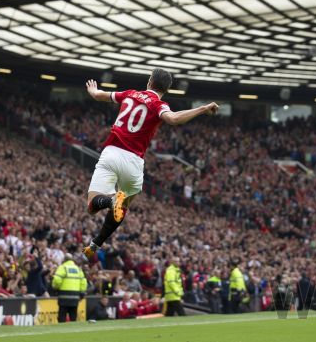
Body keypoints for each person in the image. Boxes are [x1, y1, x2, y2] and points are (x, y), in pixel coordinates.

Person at [82, 69, 219, 258]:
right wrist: (203, 108)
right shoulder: (158, 104)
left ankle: (110, 200)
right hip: (134, 163)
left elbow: (98, 95)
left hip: (111, 153)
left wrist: (93, 90)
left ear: (149, 82)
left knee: (92, 205)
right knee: (122, 208)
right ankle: (96, 244)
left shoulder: (129, 93)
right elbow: (174, 119)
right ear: (167, 89)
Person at [51, 253, 87, 323]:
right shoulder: (78, 269)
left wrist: (55, 288)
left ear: (64, 259)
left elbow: (57, 280)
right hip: (75, 297)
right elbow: (83, 282)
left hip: (63, 296)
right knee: (73, 318)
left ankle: (61, 332)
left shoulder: (63, 267)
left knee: (62, 318)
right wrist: (82, 293)